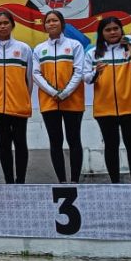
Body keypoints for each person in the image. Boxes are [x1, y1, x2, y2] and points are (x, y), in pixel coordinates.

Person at [85, 16, 131, 183]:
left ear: (121, 30)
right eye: (108, 30)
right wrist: (96, 71)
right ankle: (115, 183)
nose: (112, 32)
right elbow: (87, 78)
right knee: (111, 147)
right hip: (105, 108)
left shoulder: (129, 49)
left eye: (116, 28)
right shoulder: (92, 53)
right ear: (101, 33)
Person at [0, 10, 34, 184]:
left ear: (12, 25)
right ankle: (9, 181)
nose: (2, 26)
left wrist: (25, 98)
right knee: (4, 144)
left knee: (20, 142)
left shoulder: (24, 48)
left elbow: (29, 77)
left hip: (19, 104)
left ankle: (21, 180)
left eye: (6, 23)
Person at [33, 11, 86, 183]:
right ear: (45, 26)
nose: (51, 23)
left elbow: (79, 71)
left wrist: (65, 92)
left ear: (62, 23)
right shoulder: (40, 49)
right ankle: (62, 181)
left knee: (74, 140)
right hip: (49, 102)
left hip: (72, 101)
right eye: (48, 21)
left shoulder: (75, 45)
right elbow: (36, 73)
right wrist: (53, 92)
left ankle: (75, 181)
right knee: (55, 142)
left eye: (55, 20)